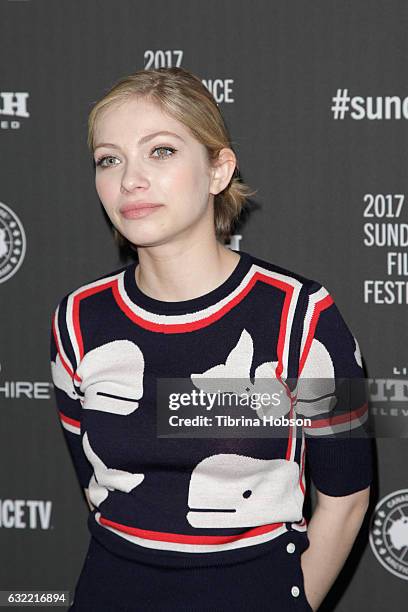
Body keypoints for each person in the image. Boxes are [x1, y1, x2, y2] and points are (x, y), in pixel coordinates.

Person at [49, 67, 373, 611]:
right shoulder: (78, 319)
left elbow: (347, 500)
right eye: (110, 159)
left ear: (219, 169)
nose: (130, 179)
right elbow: (96, 487)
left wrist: (284, 604)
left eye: (161, 152)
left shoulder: (302, 315)